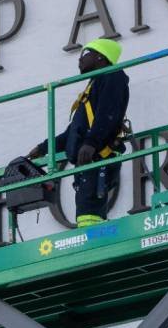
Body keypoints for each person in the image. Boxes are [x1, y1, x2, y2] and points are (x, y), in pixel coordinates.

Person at [27, 38, 130, 227]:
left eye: (85, 53)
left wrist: (91, 142)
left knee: (90, 213)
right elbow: (73, 132)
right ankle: (89, 238)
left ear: (100, 57)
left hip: (98, 160)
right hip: (88, 164)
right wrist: (43, 148)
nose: (79, 59)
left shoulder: (113, 76)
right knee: (85, 211)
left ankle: (92, 243)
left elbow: (108, 114)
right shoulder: (93, 87)